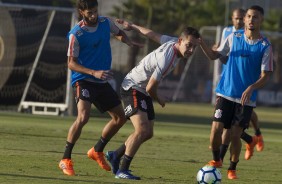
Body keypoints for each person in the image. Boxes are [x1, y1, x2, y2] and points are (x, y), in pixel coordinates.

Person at [105, 19, 200, 180]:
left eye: (194, 47)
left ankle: (115, 155)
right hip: (132, 87)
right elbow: (151, 87)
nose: (191, 50)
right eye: (189, 45)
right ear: (180, 41)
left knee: (148, 133)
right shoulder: (167, 58)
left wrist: (133, 26)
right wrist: (160, 99)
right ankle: (123, 170)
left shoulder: (171, 42)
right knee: (142, 130)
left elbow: (152, 34)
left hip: (141, 90)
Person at [58, 0, 141, 176]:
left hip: (101, 81)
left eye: (95, 11)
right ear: (82, 12)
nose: (94, 15)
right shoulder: (76, 34)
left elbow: (118, 33)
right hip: (84, 79)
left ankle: (97, 150)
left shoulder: (105, 23)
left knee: (120, 117)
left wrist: (128, 42)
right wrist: (93, 72)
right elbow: (71, 64)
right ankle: (65, 159)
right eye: (90, 13)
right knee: (83, 116)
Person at [199, 5, 273, 180]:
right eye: (248, 16)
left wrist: (252, 87)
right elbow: (213, 56)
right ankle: (217, 160)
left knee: (235, 135)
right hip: (225, 93)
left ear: (261, 20)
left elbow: (265, 76)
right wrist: (202, 43)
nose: (250, 20)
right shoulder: (233, 37)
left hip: (245, 100)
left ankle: (232, 168)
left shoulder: (265, 46)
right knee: (215, 130)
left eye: (255, 17)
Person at [213, 8, 264, 162]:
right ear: (234, 19)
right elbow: (222, 56)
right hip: (227, 81)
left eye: (245, 17)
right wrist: (216, 52)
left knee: (234, 127)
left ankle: (257, 135)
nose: (241, 20)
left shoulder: (260, 41)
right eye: (238, 18)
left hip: (244, 85)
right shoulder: (228, 33)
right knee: (224, 126)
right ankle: (249, 140)